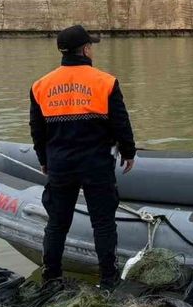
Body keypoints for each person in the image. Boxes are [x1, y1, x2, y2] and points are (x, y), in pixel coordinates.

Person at [29, 25, 136, 288]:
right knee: (102, 223)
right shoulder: (106, 82)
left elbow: (37, 129)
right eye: (91, 46)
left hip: (60, 164)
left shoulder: (40, 85)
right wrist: (129, 151)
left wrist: (44, 159)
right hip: (96, 163)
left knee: (57, 223)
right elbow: (120, 122)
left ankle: (51, 276)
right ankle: (109, 280)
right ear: (86, 49)